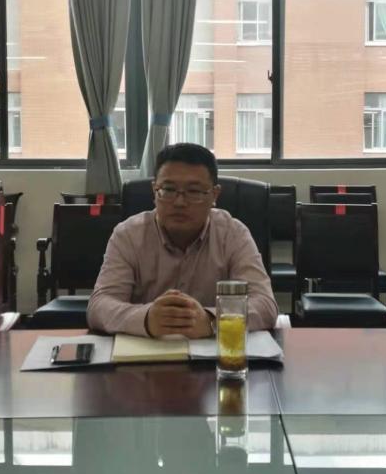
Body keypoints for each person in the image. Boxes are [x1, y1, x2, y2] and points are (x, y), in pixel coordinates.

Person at [87, 143, 278, 338]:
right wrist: (146, 319)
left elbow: (265, 304)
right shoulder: (128, 235)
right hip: (146, 352)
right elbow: (100, 305)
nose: (179, 202)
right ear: (154, 191)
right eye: (168, 190)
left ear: (214, 195)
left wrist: (212, 320)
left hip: (214, 353)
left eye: (194, 192)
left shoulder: (233, 234)